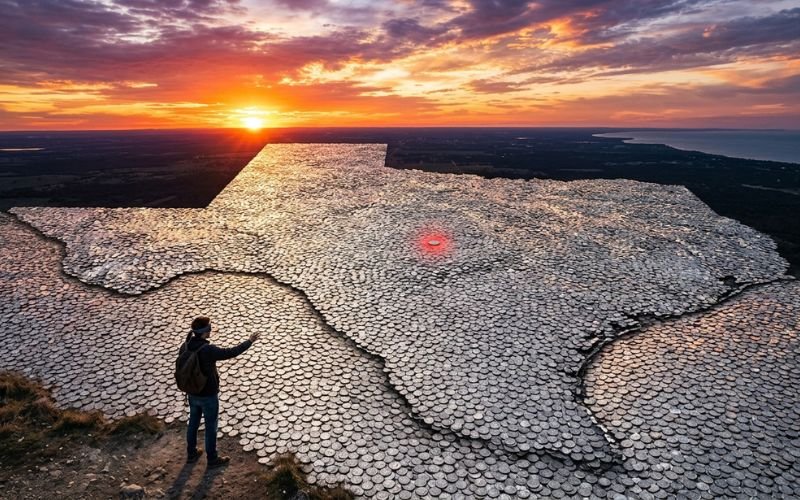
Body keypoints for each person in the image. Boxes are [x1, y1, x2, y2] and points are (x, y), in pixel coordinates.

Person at [180, 316, 260, 468]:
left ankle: (191, 453)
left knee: (193, 423)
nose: (211, 330)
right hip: (208, 395)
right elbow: (231, 352)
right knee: (211, 426)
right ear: (204, 332)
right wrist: (249, 341)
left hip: (192, 393)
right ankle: (212, 459)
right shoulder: (208, 350)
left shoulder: (186, 345)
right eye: (209, 328)